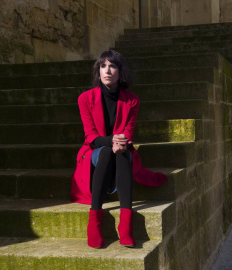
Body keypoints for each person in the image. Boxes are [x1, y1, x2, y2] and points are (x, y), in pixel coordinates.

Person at [71, 50, 167, 249]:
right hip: (96, 151)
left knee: (122, 153)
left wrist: (120, 142)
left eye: (112, 66)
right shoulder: (85, 98)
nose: (107, 71)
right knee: (107, 152)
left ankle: (126, 226)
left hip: (121, 149)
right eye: (103, 66)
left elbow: (129, 131)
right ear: (98, 71)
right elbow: (90, 136)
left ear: (120, 71)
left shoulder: (131, 100)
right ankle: (94, 222)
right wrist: (110, 141)